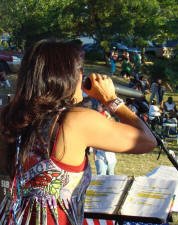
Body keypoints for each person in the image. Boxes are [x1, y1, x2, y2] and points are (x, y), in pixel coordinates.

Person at [0, 40, 157, 225]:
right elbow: (147, 140)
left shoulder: (5, 115)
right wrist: (111, 100)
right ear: (65, 76)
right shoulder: (76, 121)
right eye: (80, 70)